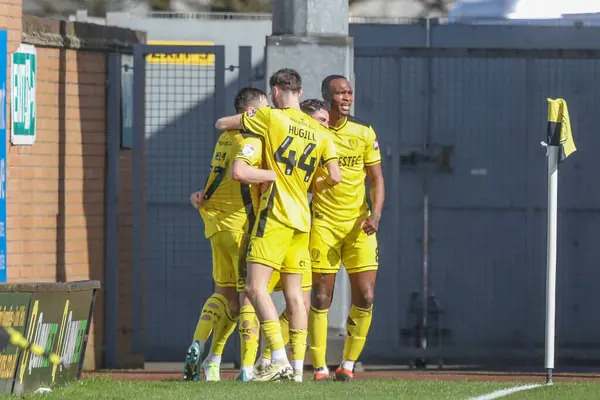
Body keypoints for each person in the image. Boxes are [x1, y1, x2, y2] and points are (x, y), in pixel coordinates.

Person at [215, 68, 342, 382]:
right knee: (296, 296)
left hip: (274, 216)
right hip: (302, 218)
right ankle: (298, 370)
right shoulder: (321, 132)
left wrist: (250, 119)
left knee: (255, 288)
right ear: (300, 92)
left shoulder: (271, 118)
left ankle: (278, 358)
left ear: (274, 92)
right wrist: (310, 186)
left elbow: (223, 124)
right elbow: (336, 178)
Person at [185, 87, 268, 382]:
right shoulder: (252, 142)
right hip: (241, 226)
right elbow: (240, 174)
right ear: (250, 114)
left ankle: (203, 349)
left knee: (224, 295)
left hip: (215, 225)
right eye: (263, 110)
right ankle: (246, 368)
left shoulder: (224, 138)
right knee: (249, 297)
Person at [308, 75, 386, 382]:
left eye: (350, 92)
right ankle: (318, 368)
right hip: (324, 225)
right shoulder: (314, 132)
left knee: (365, 297)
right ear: (327, 97)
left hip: (359, 227)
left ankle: (348, 364)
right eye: (341, 93)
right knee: (320, 297)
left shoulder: (364, 132)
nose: (347, 97)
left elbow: (377, 178)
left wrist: (376, 215)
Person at [254, 98, 331, 371]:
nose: (325, 125)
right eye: (321, 120)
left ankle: (275, 361)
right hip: (284, 221)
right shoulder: (307, 136)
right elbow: (334, 177)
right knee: (254, 294)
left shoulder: (310, 138)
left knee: (295, 300)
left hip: (291, 225)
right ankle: (261, 364)